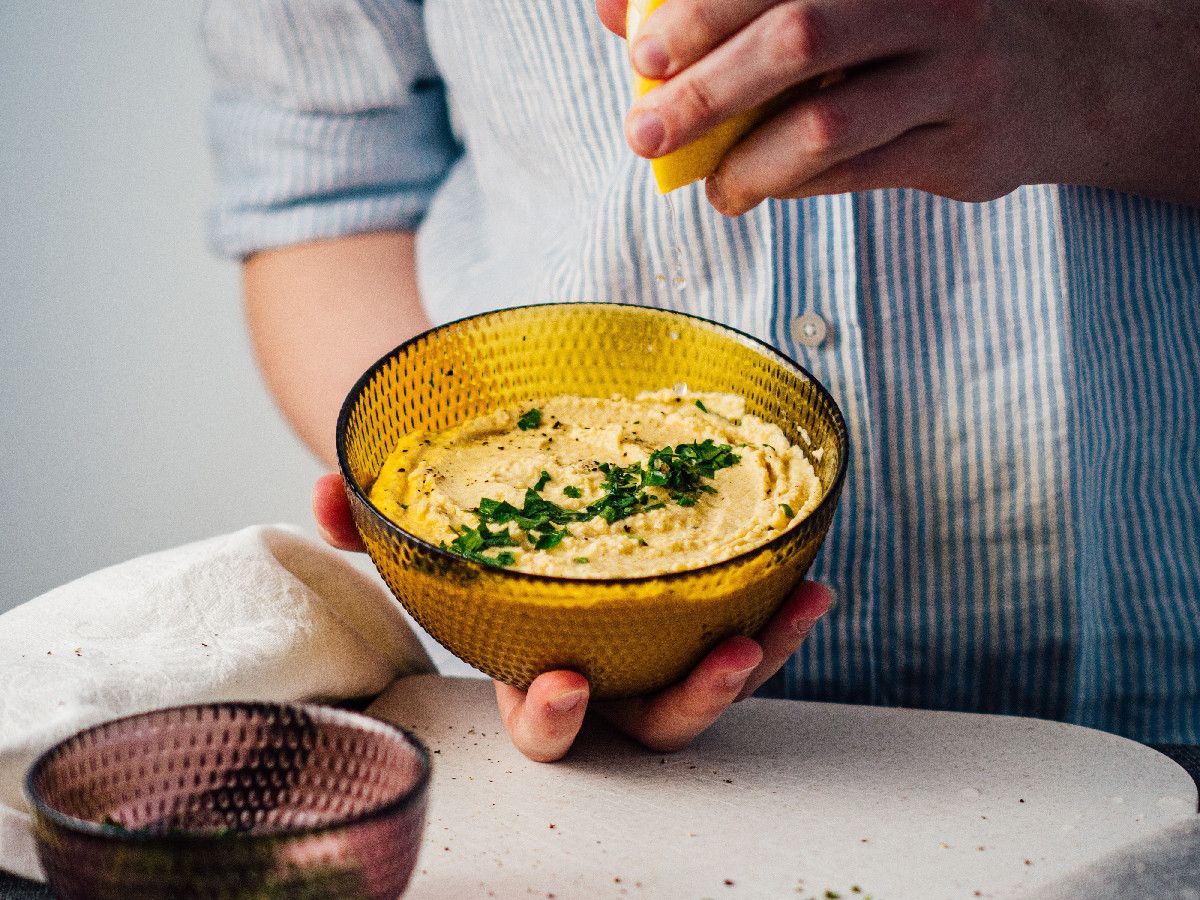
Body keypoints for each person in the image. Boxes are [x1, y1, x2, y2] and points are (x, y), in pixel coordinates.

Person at [202, 0, 1200, 763]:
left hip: (1163, 699)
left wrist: (1103, 67)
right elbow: (326, 191)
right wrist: (511, 601)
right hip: (581, 759)